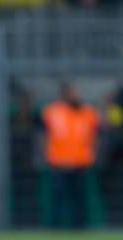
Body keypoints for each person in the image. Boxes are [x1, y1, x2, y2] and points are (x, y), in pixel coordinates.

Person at [42, 82, 100, 228]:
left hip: (80, 161)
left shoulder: (87, 112)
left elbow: (97, 132)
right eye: (73, 93)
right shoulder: (52, 111)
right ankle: (53, 226)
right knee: (57, 196)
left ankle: (80, 226)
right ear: (64, 95)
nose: (76, 96)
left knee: (79, 197)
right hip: (58, 161)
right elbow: (41, 133)